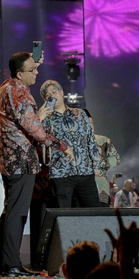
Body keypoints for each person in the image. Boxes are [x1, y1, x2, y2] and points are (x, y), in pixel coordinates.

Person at [0, 51, 74, 277]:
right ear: (20, 74)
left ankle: (1, 262)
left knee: (10, 212)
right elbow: (34, 128)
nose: (37, 72)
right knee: (17, 214)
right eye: (33, 70)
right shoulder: (18, 91)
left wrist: (31, 60)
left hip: (12, 160)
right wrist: (62, 145)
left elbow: (20, 69)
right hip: (21, 161)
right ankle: (11, 265)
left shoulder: (8, 87)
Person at [39, 80, 101, 208]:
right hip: (60, 172)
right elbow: (40, 140)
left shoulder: (80, 114)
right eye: (47, 95)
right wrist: (40, 118)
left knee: (94, 211)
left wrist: (96, 165)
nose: (52, 96)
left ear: (62, 93)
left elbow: (90, 139)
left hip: (84, 171)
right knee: (63, 215)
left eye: (54, 92)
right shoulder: (46, 119)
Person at [85, 110, 120, 207]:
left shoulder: (104, 141)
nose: (90, 126)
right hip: (81, 190)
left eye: (91, 123)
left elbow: (116, 159)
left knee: (102, 218)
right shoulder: (73, 144)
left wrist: (100, 164)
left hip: (102, 190)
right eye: (86, 123)